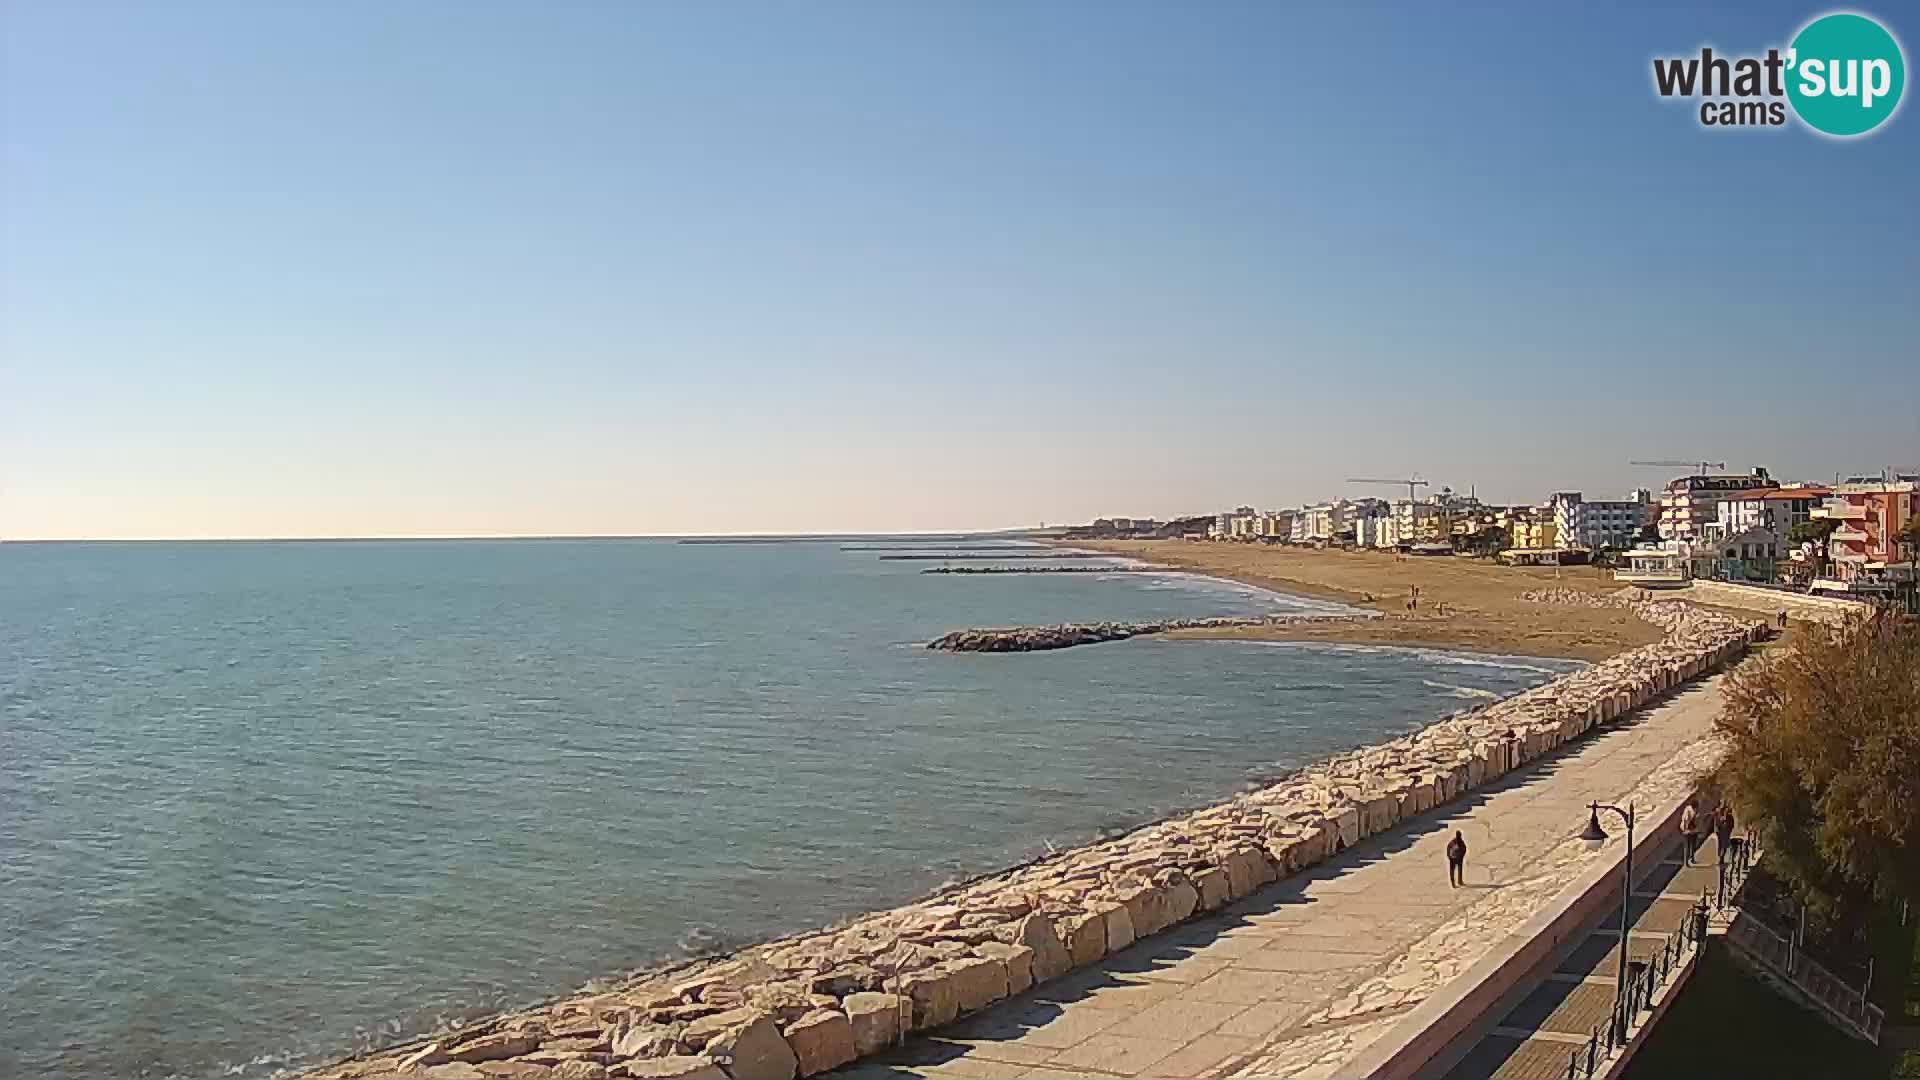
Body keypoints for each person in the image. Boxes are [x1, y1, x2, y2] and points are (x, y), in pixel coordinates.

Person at [1680, 802, 1699, 866]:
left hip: (1692, 830)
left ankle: (1692, 859)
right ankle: (1686, 863)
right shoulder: (1688, 811)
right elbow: (1686, 820)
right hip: (1687, 831)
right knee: (1687, 847)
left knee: (1693, 845)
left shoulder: (1692, 810)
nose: (1697, 809)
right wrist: (1685, 830)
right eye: (1696, 807)